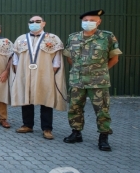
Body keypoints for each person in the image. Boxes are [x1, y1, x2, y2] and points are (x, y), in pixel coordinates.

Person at [63, 10, 122, 151]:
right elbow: (69, 58)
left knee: (102, 110)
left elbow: (114, 58)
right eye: (85, 20)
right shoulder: (73, 37)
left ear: (99, 22)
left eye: (91, 20)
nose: (88, 22)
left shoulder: (107, 37)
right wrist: (80, 70)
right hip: (77, 80)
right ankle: (76, 133)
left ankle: (103, 138)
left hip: (98, 81)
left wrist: (100, 70)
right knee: (74, 107)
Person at [11, 15, 66, 140]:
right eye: (31, 21)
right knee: (26, 98)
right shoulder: (21, 39)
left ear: (44, 23)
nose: (34, 23)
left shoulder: (52, 39)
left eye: (37, 21)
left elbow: (57, 60)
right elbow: (16, 58)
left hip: (45, 74)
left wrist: (50, 72)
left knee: (46, 99)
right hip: (25, 73)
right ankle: (27, 125)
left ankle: (47, 128)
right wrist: (19, 72)